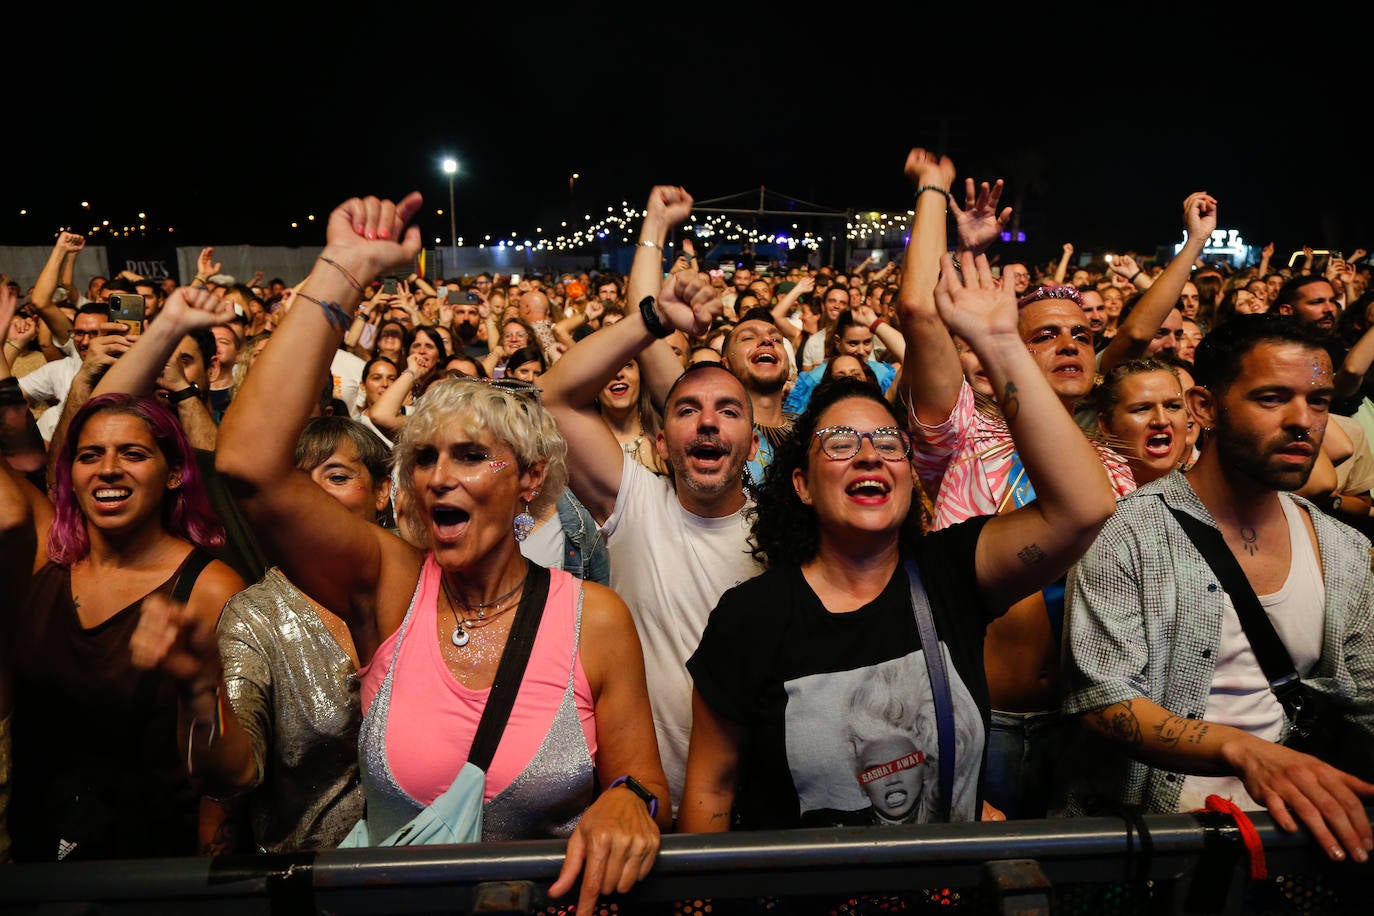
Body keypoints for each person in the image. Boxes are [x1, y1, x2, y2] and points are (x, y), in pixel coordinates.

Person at [214, 192, 666, 913]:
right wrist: (343, 270)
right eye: (422, 458)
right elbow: (249, 466)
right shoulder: (390, 587)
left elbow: (643, 784)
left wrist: (629, 802)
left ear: (530, 481)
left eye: (470, 455)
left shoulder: (595, 619)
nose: (439, 477)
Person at [678, 249, 1116, 833]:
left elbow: (1085, 506)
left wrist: (1001, 341)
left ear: (911, 477)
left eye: (889, 443)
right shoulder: (750, 617)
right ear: (802, 485)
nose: (868, 454)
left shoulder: (951, 575)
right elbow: (712, 787)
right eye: (839, 441)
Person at [1058, 313, 1374, 864]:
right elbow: (1102, 700)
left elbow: (1364, 695)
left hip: (1294, 840)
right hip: (1155, 842)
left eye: (1319, 401)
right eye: (1272, 398)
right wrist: (1244, 751)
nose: (1304, 421)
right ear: (1204, 408)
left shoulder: (1341, 549)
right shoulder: (1127, 533)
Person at [540, 186, 763, 813]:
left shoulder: (785, 525)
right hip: (642, 800)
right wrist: (652, 316)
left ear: (753, 441)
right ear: (662, 443)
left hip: (764, 802)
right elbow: (554, 397)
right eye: (688, 410)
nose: (709, 423)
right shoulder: (637, 501)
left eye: (728, 411)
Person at [3, 392, 245, 861]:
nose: (108, 469)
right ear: (70, 475)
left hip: (145, 869)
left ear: (174, 472)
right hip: (28, 861)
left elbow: (224, 775)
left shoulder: (209, 589)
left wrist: (201, 685)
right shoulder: (42, 562)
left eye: (133, 454)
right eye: (89, 455)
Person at [1093, 358, 1192, 487]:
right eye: (1142, 409)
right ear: (1106, 425)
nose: (1162, 421)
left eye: (1173, 406)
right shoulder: (1086, 492)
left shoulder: (1204, 490)